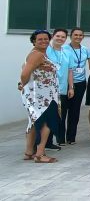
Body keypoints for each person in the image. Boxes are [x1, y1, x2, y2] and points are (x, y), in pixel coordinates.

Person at [20, 30, 60, 163]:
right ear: (34, 41)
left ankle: (29, 152)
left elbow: (28, 70)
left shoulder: (39, 53)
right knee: (46, 122)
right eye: (40, 39)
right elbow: (25, 73)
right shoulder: (36, 54)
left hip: (42, 94)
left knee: (34, 121)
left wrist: (23, 84)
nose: (44, 41)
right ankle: (40, 154)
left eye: (46, 39)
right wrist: (23, 84)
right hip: (40, 96)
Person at [61, 28, 88, 145]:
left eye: (80, 35)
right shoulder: (64, 49)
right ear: (71, 36)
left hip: (81, 83)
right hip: (66, 83)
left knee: (75, 111)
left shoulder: (85, 49)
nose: (78, 37)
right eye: (75, 35)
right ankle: (61, 138)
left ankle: (71, 137)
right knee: (63, 111)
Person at [47, 28, 70, 147]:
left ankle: (57, 139)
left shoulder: (66, 52)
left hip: (62, 88)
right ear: (53, 36)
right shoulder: (46, 50)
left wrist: (71, 87)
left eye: (63, 37)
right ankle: (47, 142)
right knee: (49, 115)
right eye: (58, 36)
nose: (60, 39)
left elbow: (70, 70)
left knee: (60, 115)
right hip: (48, 89)